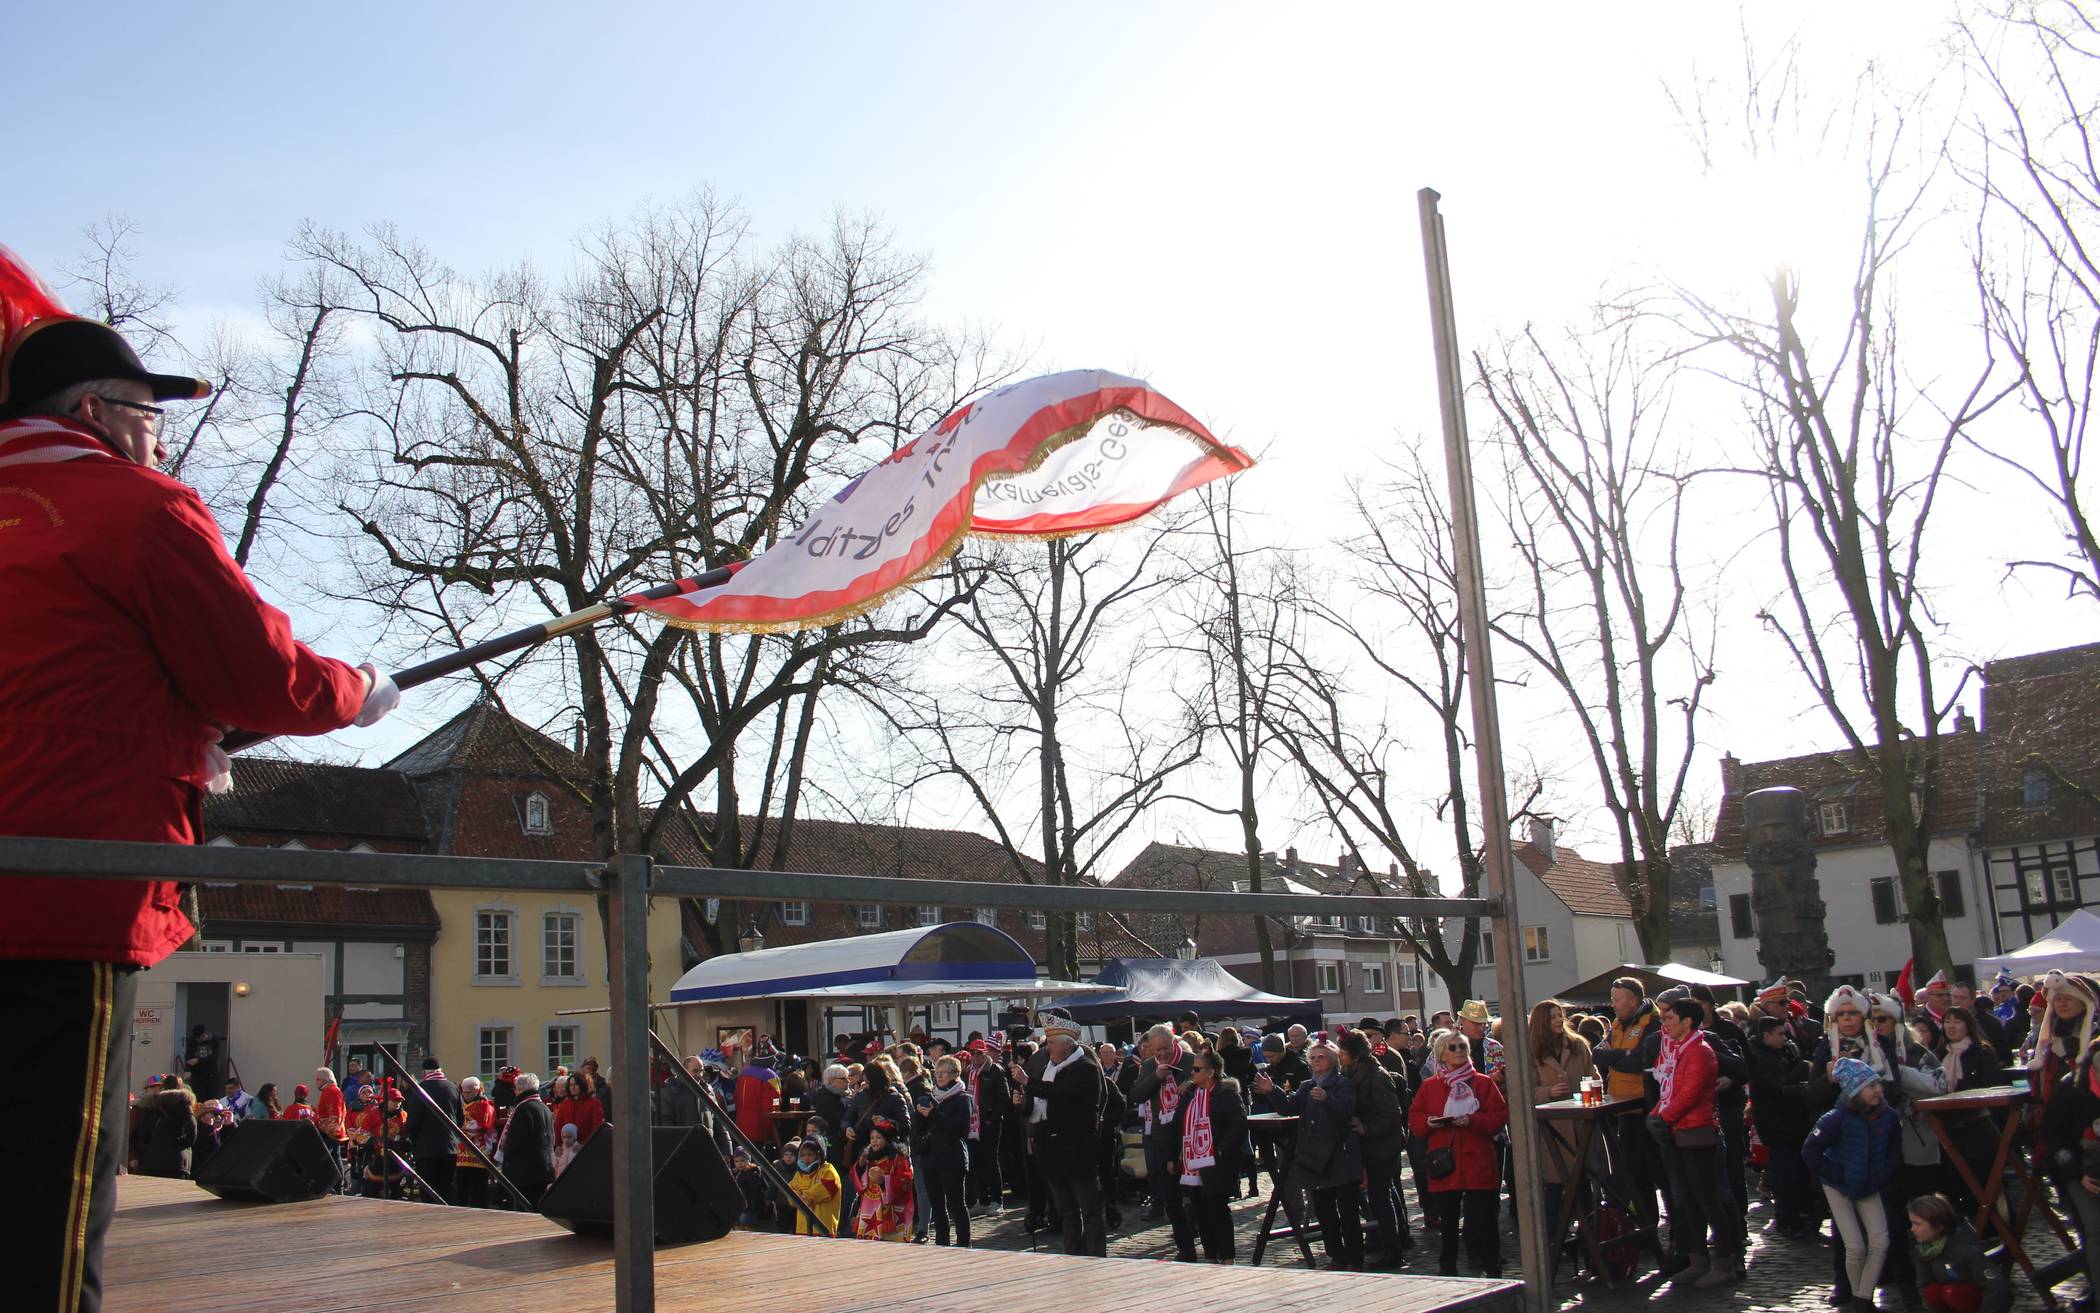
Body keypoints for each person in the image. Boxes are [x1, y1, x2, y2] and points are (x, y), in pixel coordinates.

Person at [0, 280, 403, 1313]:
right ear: (93, 414)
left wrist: (187, 725)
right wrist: (353, 695)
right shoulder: (134, 508)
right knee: (49, 1186)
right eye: (147, 415)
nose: (158, 440)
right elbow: (259, 671)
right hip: (63, 885)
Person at [1651, 995, 1744, 1288]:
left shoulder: (1699, 1051)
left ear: (1686, 1022)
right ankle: (1697, 1260)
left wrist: (1662, 1118)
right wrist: (1658, 1114)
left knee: (1707, 1198)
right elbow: (1668, 1090)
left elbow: (1690, 1094)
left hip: (1696, 1132)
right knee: (1686, 1201)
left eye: (1669, 1018)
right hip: (1678, 1131)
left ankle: (1724, 1262)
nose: (1664, 1022)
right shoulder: (1676, 1050)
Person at [1806, 1058, 1904, 1313]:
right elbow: (1811, 1151)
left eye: (1877, 1085)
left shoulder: (1888, 1117)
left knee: (1880, 1240)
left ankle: (1863, 1297)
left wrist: (1883, 1174)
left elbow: (1894, 1150)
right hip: (1839, 1185)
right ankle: (1858, 1296)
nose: (1878, 1090)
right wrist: (1836, 1175)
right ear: (1853, 1090)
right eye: (1870, 1086)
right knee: (1855, 1246)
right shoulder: (1835, 1118)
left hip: (1869, 1183)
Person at [1409, 1028, 1506, 1277]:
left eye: (1463, 1046)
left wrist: (1472, 1121)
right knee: (1449, 1223)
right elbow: (1415, 1119)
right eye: (1453, 1047)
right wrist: (1429, 1122)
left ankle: (1491, 1267)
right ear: (1442, 1054)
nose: (1460, 1051)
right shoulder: (1431, 1086)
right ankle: (1448, 1269)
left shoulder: (1483, 1083)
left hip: (1477, 1159)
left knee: (1485, 1220)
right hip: (1445, 1161)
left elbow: (1498, 1116)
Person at [1265, 1040, 1365, 1272]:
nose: (1316, 1061)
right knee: (1324, 1209)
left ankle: (1355, 1257)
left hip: (1340, 1154)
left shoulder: (1343, 1083)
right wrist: (1273, 1091)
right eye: (1313, 1058)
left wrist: (1328, 1100)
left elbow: (1347, 1110)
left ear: (1332, 1060)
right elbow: (1289, 1108)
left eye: (1321, 1057)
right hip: (1316, 1157)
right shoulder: (1307, 1086)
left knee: (1348, 1211)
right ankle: (1336, 1256)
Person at [1013, 1015, 1106, 1256]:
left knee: (1090, 1210)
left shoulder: (1085, 1068)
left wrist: (1028, 1081)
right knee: (1065, 1210)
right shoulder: (1047, 1069)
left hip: (1076, 1148)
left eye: (1052, 1043)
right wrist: (1023, 1102)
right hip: (1051, 1149)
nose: (1048, 1047)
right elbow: (1038, 1104)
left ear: (1068, 1044)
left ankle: (1096, 1255)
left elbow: (1063, 1094)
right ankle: (1072, 1253)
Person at [1339, 1029, 1412, 1266]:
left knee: (1381, 1196)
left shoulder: (1377, 1075)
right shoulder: (1355, 1071)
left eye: (1343, 1050)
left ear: (1354, 1054)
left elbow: (1392, 1115)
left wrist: (1366, 1128)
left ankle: (1393, 1249)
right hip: (1373, 1146)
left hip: (1383, 1145)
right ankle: (1397, 1238)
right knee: (1385, 1193)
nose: (1339, 1054)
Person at [1171, 1048, 1246, 1264]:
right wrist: (1173, 1155)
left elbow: (1237, 1124)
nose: (1192, 1073)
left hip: (1216, 1162)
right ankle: (1210, 1255)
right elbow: (1177, 1126)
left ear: (1211, 1072)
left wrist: (1221, 1149)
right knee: (1199, 1210)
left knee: (1217, 1209)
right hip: (1192, 1161)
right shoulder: (1191, 1095)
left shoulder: (1227, 1094)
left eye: (1196, 1069)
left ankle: (1227, 1256)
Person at [1748, 1014, 1817, 1239]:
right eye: (1779, 1034)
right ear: (1766, 1035)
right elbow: (1773, 1086)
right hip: (1775, 1125)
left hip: (1792, 1123)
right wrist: (1801, 1069)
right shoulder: (1758, 1057)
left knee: (1794, 1171)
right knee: (1784, 1174)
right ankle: (1787, 1220)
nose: (1783, 1038)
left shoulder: (1779, 1053)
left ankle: (1799, 1215)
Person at [1528, 999, 1596, 1229]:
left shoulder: (1577, 1045)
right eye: (1552, 1017)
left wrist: (1589, 1090)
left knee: (1585, 1184)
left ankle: (1592, 1241)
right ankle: (1554, 1243)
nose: (1558, 1020)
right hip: (1552, 1130)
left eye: (1560, 1015)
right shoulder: (1531, 1051)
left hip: (1581, 1124)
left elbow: (1593, 1075)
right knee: (1554, 1188)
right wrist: (1549, 1091)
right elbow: (1524, 1091)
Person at [1130, 1023, 1195, 1220]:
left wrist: (1192, 1083)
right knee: (1167, 1185)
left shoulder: (1191, 1060)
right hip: (1161, 1134)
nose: (1162, 1053)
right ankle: (1178, 1230)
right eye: (1157, 1049)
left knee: (1191, 1189)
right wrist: (1156, 1078)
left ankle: (1194, 1223)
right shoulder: (1149, 1065)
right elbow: (1136, 1094)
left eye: (1166, 1048)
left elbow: (1216, 1080)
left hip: (1188, 1132)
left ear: (1174, 1042)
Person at [1907, 1192, 2010, 1313]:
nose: (1912, 1229)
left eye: (1917, 1224)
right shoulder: (1923, 1249)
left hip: (1974, 1298)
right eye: (1912, 1223)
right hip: (1949, 1297)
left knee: (1952, 1293)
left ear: (1939, 1225)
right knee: (1932, 1292)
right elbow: (1925, 1284)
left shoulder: (1964, 1249)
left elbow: (1996, 1286)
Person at [915, 1054, 973, 1247]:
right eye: (937, 1072)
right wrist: (921, 1116)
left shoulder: (962, 1099)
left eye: (944, 1073)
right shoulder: (930, 1096)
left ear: (955, 1075)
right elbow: (919, 1127)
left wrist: (933, 1114)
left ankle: (964, 1243)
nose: (939, 1076)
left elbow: (959, 1128)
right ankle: (942, 1242)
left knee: (956, 1203)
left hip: (952, 1157)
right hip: (931, 1157)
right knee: (937, 1205)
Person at [404, 1056, 463, 1205]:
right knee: (447, 1185)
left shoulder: (420, 1089)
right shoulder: (453, 1087)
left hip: (426, 1147)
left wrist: (413, 1139)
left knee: (429, 1188)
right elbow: (460, 1117)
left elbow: (413, 1122)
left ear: (425, 1072)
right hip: (449, 1146)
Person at [852, 1120, 915, 1241]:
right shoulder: (868, 1159)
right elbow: (859, 1182)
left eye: (878, 1137)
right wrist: (860, 1167)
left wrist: (884, 1181)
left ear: (887, 1139)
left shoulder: (899, 1159)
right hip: (870, 1208)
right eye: (872, 1138)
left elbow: (905, 1182)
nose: (874, 1141)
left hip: (894, 1212)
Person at [137, 1078, 197, 1179]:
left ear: (163, 1087)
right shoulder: (184, 1103)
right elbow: (192, 1130)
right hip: (177, 1161)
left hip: (153, 1160)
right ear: (180, 1087)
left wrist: (154, 1145)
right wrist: (181, 1144)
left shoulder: (151, 1104)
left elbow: (143, 1135)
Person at [455, 1076, 496, 1208]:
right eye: (463, 1093)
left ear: (477, 1091)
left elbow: (481, 1126)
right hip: (462, 1152)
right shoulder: (464, 1105)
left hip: (479, 1151)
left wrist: (462, 1127)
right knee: (462, 1186)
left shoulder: (485, 1105)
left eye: (469, 1093)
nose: (465, 1096)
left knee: (478, 1188)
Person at [791, 1135, 844, 1235]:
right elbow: (791, 1190)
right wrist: (794, 1197)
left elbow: (826, 1189)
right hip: (802, 1230)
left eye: (810, 1154)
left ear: (819, 1154)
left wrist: (803, 1198)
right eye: (803, 1155)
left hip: (823, 1229)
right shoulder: (799, 1174)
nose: (806, 1158)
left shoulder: (828, 1171)